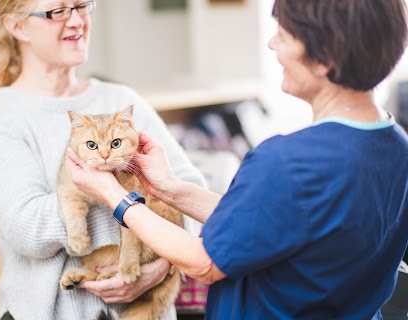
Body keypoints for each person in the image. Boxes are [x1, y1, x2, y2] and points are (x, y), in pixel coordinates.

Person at [65, 0, 408, 319]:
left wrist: (115, 196)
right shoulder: (397, 145)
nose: (272, 44)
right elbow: (257, 226)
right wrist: (169, 187)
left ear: (324, 58)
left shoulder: (285, 161)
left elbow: (204, 263)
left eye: (284, 35)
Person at [0, 0, 205, 319]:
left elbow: (189, 190)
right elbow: (27, 227)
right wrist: (131, 205)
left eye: (81, 6)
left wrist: (161, 265)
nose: (77, 21)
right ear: (17, 26)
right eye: (58, 11)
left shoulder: (122, 100)